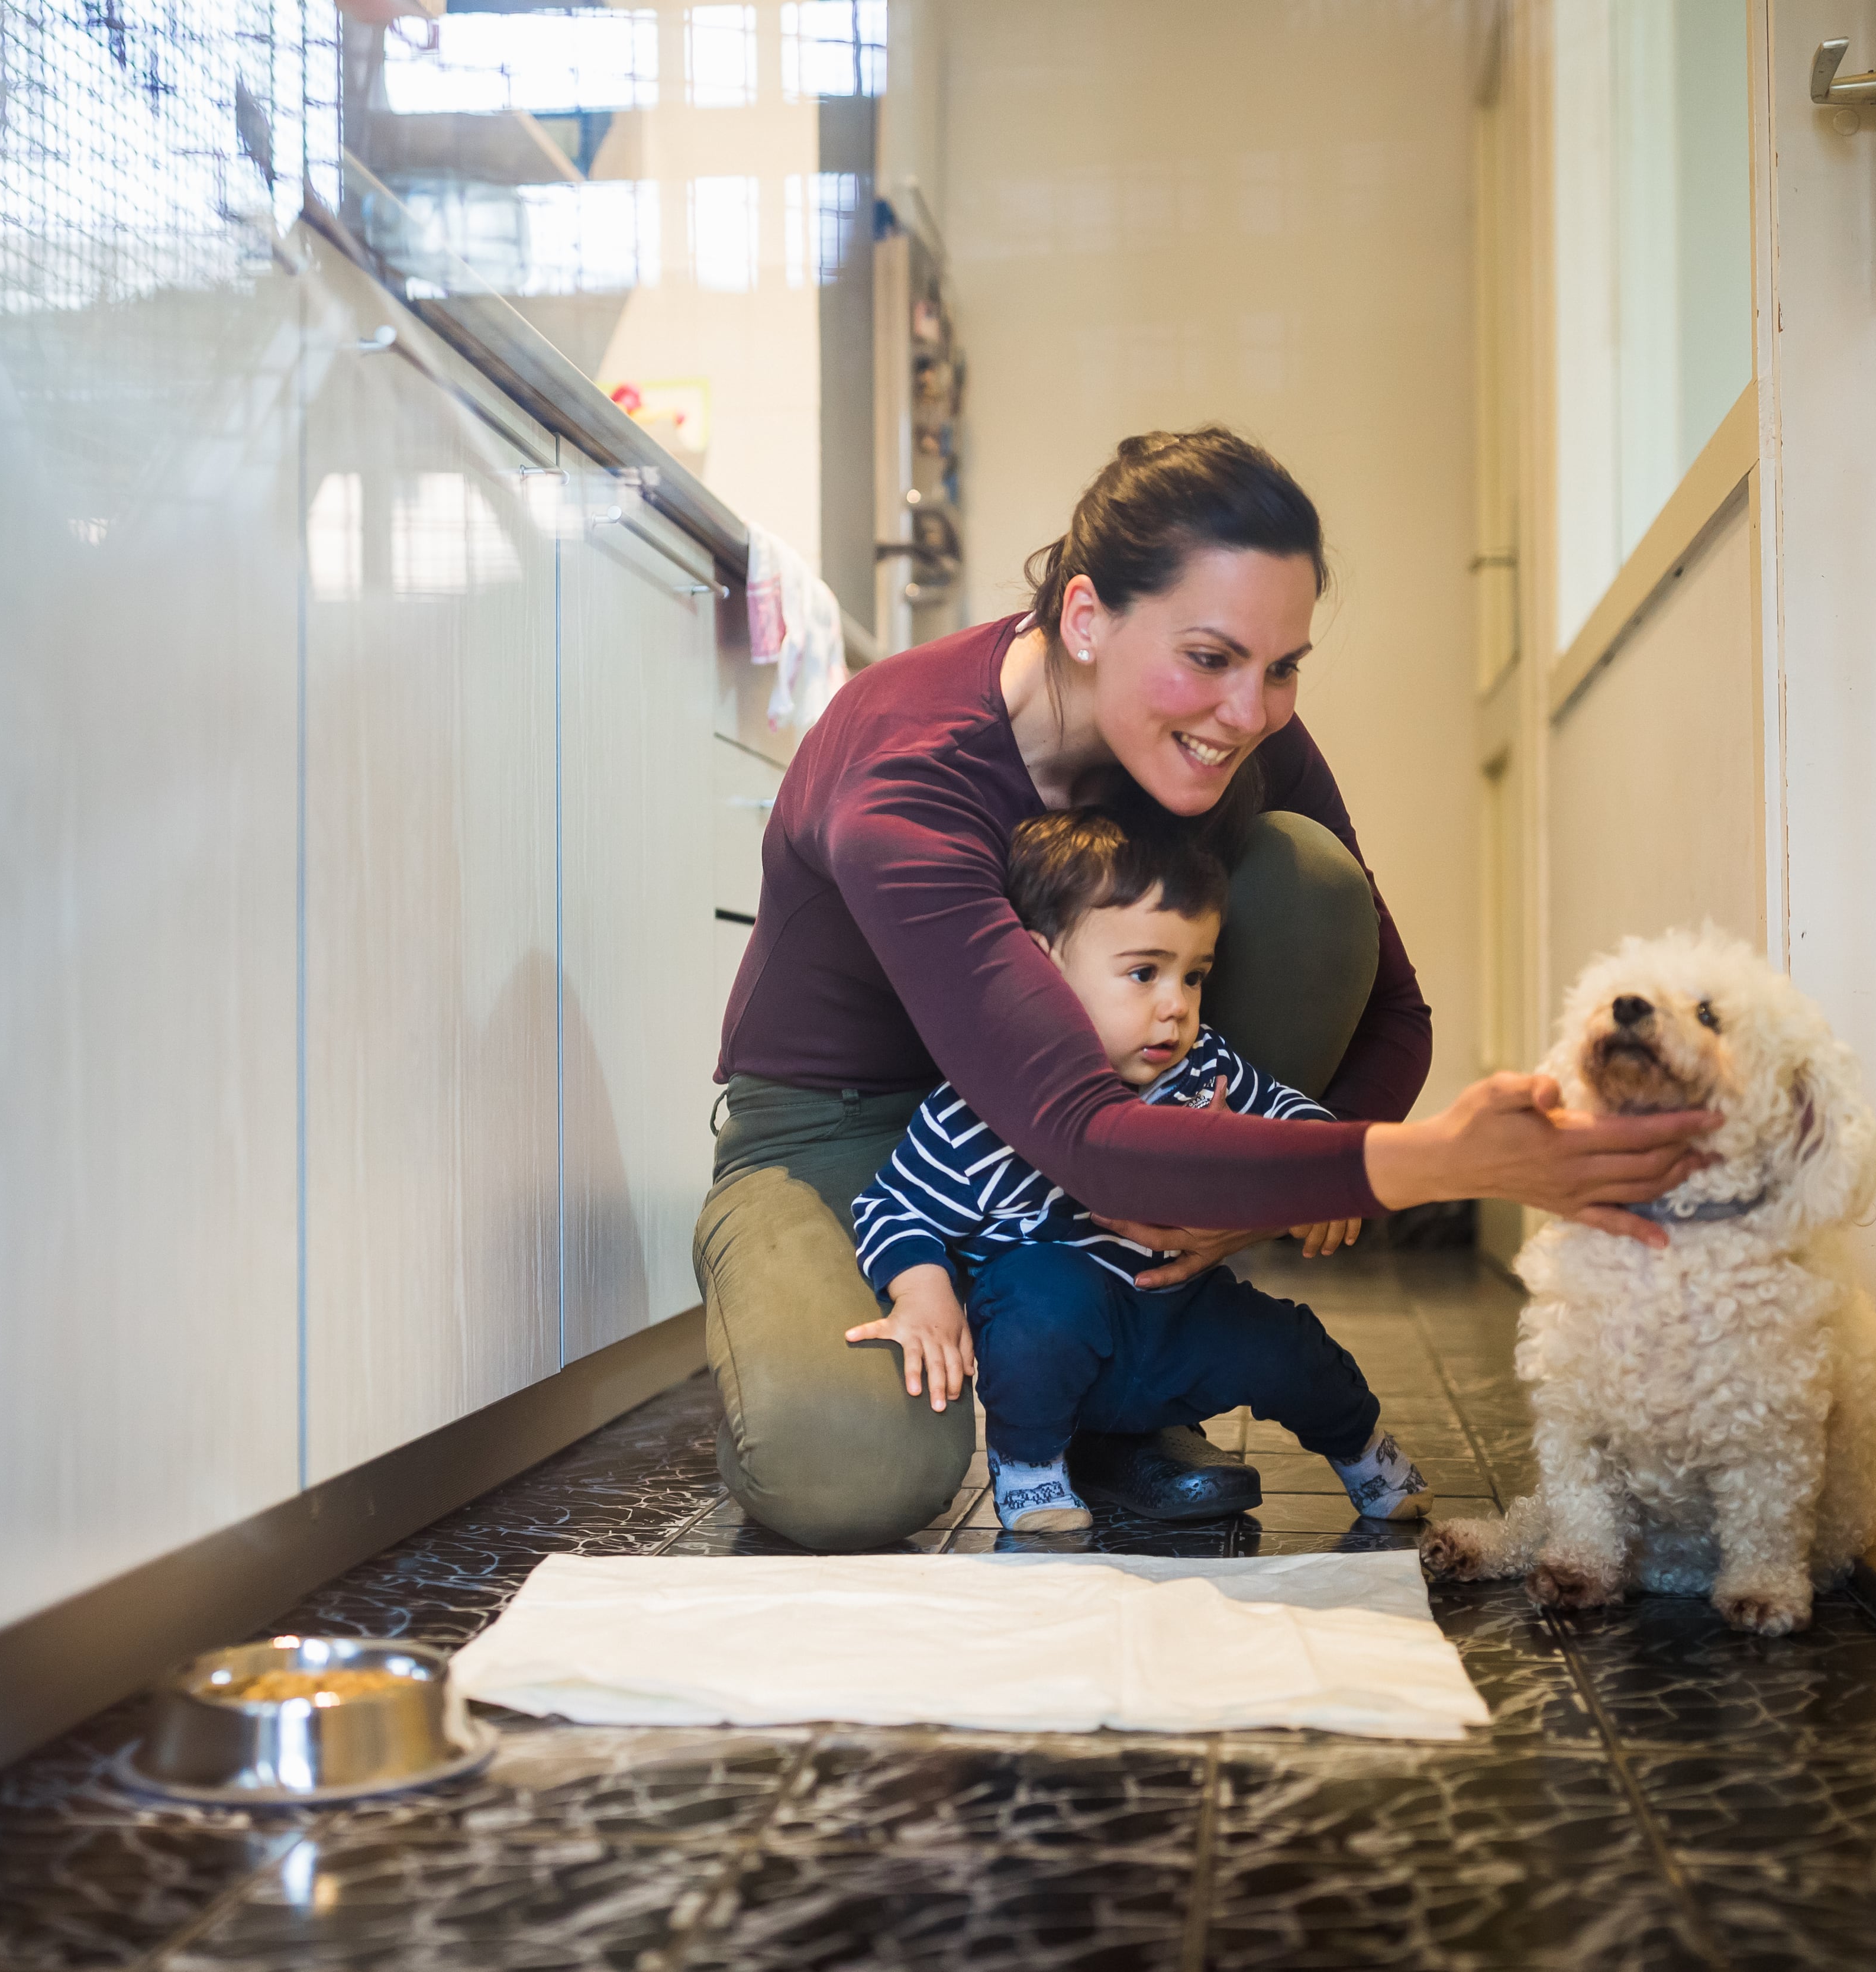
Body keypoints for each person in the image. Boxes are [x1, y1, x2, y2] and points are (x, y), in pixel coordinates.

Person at [700, 426, 1714, 1552]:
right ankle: (834, 1301)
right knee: (848, 1471)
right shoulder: (908, 768)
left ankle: (1111, 1388)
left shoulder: (1237, 735)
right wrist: (1443, 1162)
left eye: (1284, 666)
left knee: (1302, 876)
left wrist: (1261, 1191)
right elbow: (1083, 1134)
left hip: (1112, 1105)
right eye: (1213, 656)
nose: (1250, 710)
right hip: (855, 1127)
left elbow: (1392, 1010)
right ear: (1084, 618)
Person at [846, 807, 1431, 1534]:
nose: (1175, 1007)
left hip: (1177, 1318)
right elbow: (890, 1207)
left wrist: (1325, 1170)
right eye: (1144, 973)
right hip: (1057, 1348)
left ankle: (1366, 1457)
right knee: (1039, 1298)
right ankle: (1031, 1469)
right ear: (1039, 968)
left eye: (1193, 977)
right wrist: (923, 1292)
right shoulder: (976, 1104)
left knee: (1292, 1345)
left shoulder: (1202, 1066)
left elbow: (1286, 1112)